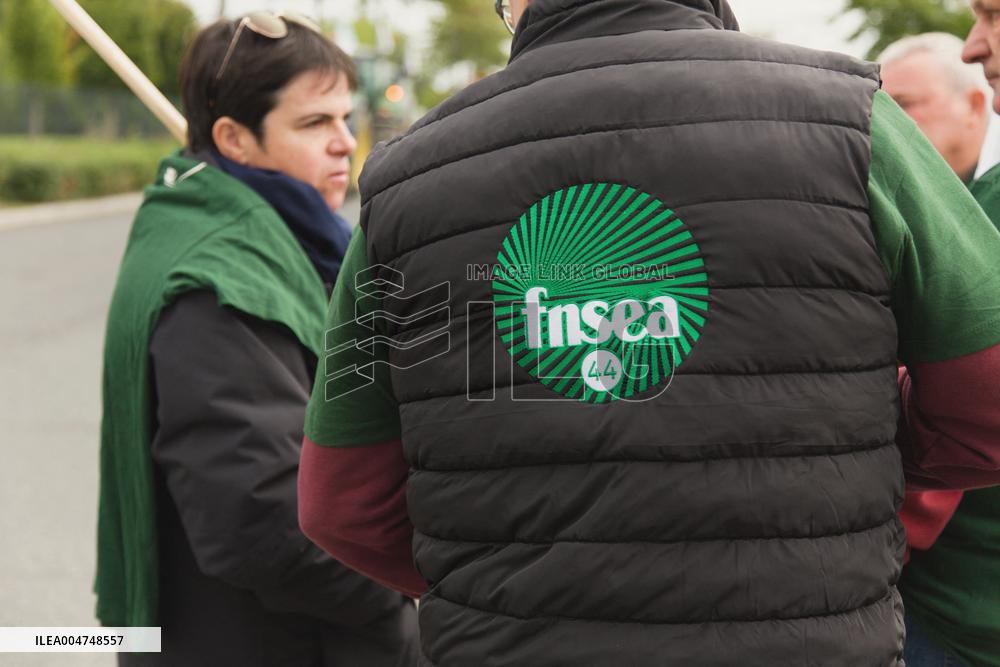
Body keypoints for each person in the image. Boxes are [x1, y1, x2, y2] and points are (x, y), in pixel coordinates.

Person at [298, 0, 1000, 664]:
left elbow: (341, 502)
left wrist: (497, 568)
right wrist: (838, 473)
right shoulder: (851, 119)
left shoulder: (405, 184)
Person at [96, 12, 418, 666]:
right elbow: (263, 523)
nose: (343, 143)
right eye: (314, 123)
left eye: (344, 118)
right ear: (233, 139)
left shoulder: (278, 237)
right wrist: (405, 597)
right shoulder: (216, 280)